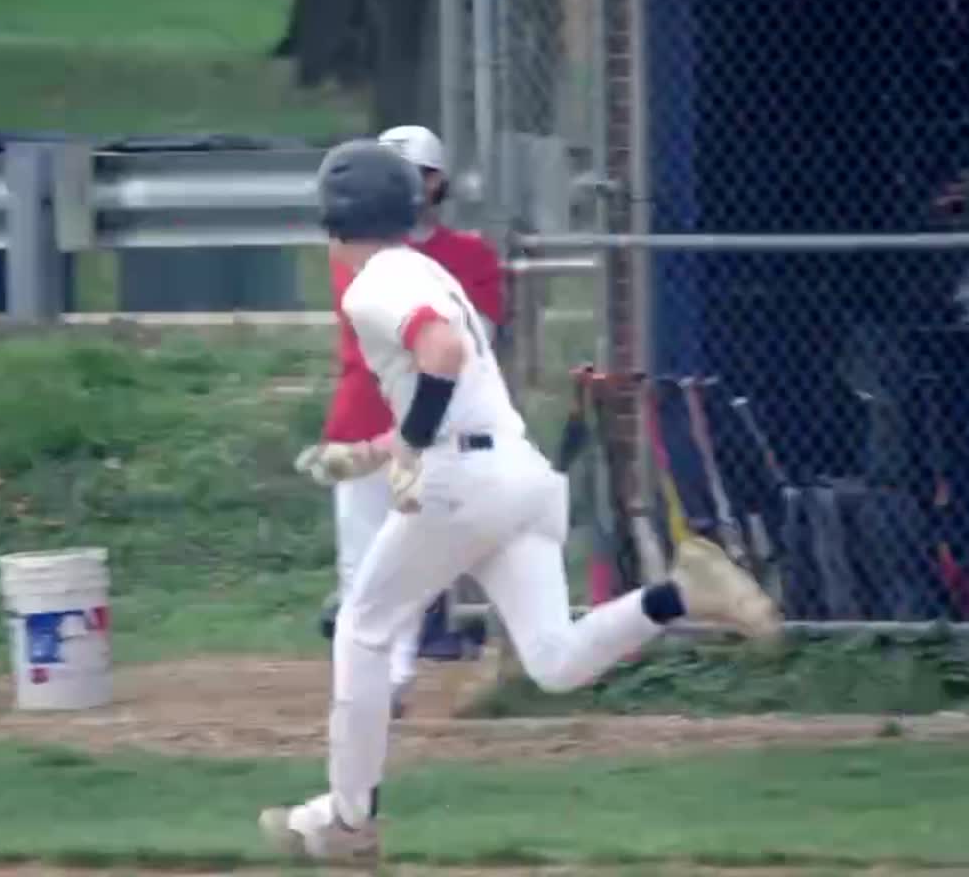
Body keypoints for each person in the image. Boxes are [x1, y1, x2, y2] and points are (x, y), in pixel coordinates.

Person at [259, 140, 780, 863]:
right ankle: (680, 595)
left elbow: (439, 354)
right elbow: (453, 385)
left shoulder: (371, 282)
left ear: (335, 224)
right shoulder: (422, 267)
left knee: (364, 629)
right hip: (517, 476)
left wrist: (407, 446)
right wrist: (375, 452)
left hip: (462, 482)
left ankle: (348, 820)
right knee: (555, 660)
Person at [297, 125, 504, 711]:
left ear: (434, 183)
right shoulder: (358, 255)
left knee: (419, 554)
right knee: (361, 557)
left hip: (445, 426)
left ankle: (399, 670)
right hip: (364, 418)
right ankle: (379, 680)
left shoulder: (466, 256)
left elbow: (472, 343)